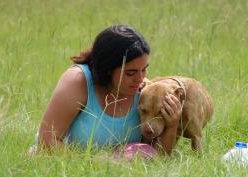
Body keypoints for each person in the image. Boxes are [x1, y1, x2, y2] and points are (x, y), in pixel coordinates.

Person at [36, 24, 182, 153]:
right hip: (68, 168)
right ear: (107, 69)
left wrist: (172, 125)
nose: (140, 79)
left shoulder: (144, 92)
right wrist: (98, 165)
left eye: (144, 70)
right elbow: (47, 139)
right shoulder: (78, 81)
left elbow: (157, 156)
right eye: (130, 73)